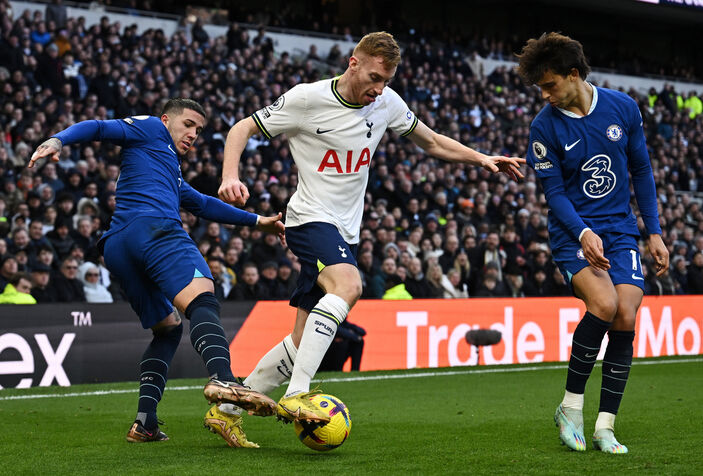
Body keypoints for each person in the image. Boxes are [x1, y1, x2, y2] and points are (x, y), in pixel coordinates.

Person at [217, 32, 524, 430]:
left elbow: (430, 141)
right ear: (353, 63)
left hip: (346, 230)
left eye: (387, 82)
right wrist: (229, 175)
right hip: (309, 218)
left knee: (299, 340)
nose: (379, 89)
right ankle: (297, 395)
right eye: (375, 78)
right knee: (349, 286)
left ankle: (227, 412)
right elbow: (242, 128)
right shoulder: (307, 99)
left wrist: (481, 159)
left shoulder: (386, 103)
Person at [29, 98, 284, 447]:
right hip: (153, 229)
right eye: (189, 124)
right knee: (203, 299)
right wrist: (59, 139)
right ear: (167, 119)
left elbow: (203, 204)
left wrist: (258, 221)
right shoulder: (150, 128)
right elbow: (100, 127)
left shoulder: (169, 169)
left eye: (199, 129)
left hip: (118, 247)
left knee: (167, 329)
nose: (194, 134)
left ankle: (145, 422)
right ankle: (224, 378)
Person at [517, 32, 669, 454]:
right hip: (572, 233)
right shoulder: (543, 126)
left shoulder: (624, 108)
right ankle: (570, 407)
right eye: (540, 88)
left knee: (625, 315)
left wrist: (653, 231)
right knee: (603, 305)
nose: (545, 95)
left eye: (550, 85)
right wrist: (584, 233)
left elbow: (642, 171)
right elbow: (555, 194)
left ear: (574, 74)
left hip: (621, 232)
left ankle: (605, 427)